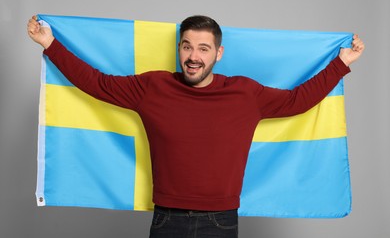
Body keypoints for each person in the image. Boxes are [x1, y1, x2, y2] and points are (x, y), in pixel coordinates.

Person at [27, 15, 364, 238]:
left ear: (218, 53)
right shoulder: (153, 87)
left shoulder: (245, 93)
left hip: (222, 220)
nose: (193, 56)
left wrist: (340, 64)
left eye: (203, 48)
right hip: (166, 219)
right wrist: (50, 45)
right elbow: (97, 83)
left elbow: (297, 101)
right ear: (178, 49)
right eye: (187, 46)